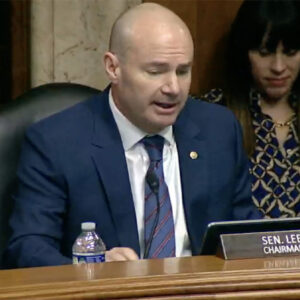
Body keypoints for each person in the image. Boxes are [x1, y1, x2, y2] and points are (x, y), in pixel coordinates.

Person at [3, 2, 259, 268]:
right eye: (156, 71)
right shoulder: (56, 142)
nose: (173, 87)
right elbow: (27, 249)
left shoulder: (217, 129)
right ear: (113, 68)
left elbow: (245, 232)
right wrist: (91, 267)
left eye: (183, 71)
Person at [203, 0, 300, 218]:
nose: (278, 67)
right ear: (244, 52)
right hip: (240, 251)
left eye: (291, 52)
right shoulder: (215, 114)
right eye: (264, 52)